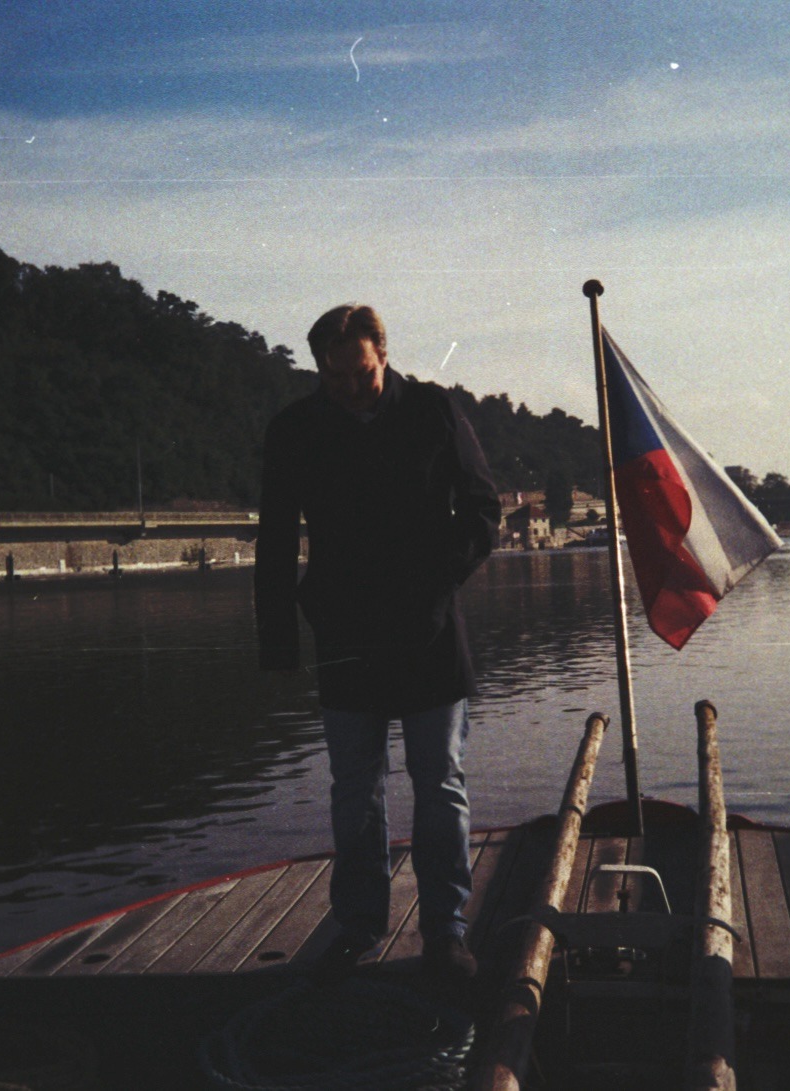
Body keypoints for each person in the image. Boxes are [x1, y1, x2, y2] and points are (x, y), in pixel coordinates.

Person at [255, 304, 500, 982]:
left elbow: (483, 510)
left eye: (358, 374)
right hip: (344, 634)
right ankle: (359, 923)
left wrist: (434, 582)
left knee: (439, 783)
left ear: (383, 354)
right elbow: (275, 536)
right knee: (354, 789)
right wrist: (278, 643)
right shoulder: (296, 430)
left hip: (427, 630)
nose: (347, 389)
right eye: (331, 377)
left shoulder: (431, 411)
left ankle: (445, 929)